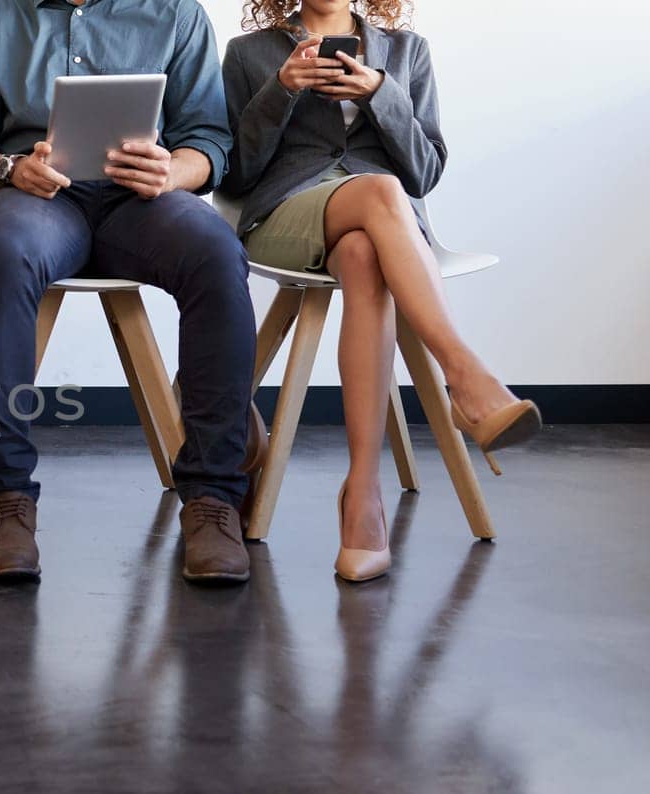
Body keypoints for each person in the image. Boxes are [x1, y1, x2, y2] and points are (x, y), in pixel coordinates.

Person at [0, 0, 266, 583]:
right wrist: (10, 168)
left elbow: (209, 143)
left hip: (142, 203)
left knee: (217, 253)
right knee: (4, 254)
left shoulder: (176, 16)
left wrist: (172, 172)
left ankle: (213, 499)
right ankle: (6, 497)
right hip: (36, 199)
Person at [221, 0, 541, 582]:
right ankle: (465, 379)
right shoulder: (250, 54)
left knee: (367, 250)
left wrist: (380, 93)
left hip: (380, 231)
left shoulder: (407, 52)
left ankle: (362, 495)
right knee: (383, 193)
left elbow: (425, 170)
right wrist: (281, 89)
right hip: (287, 216)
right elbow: (235, 175)